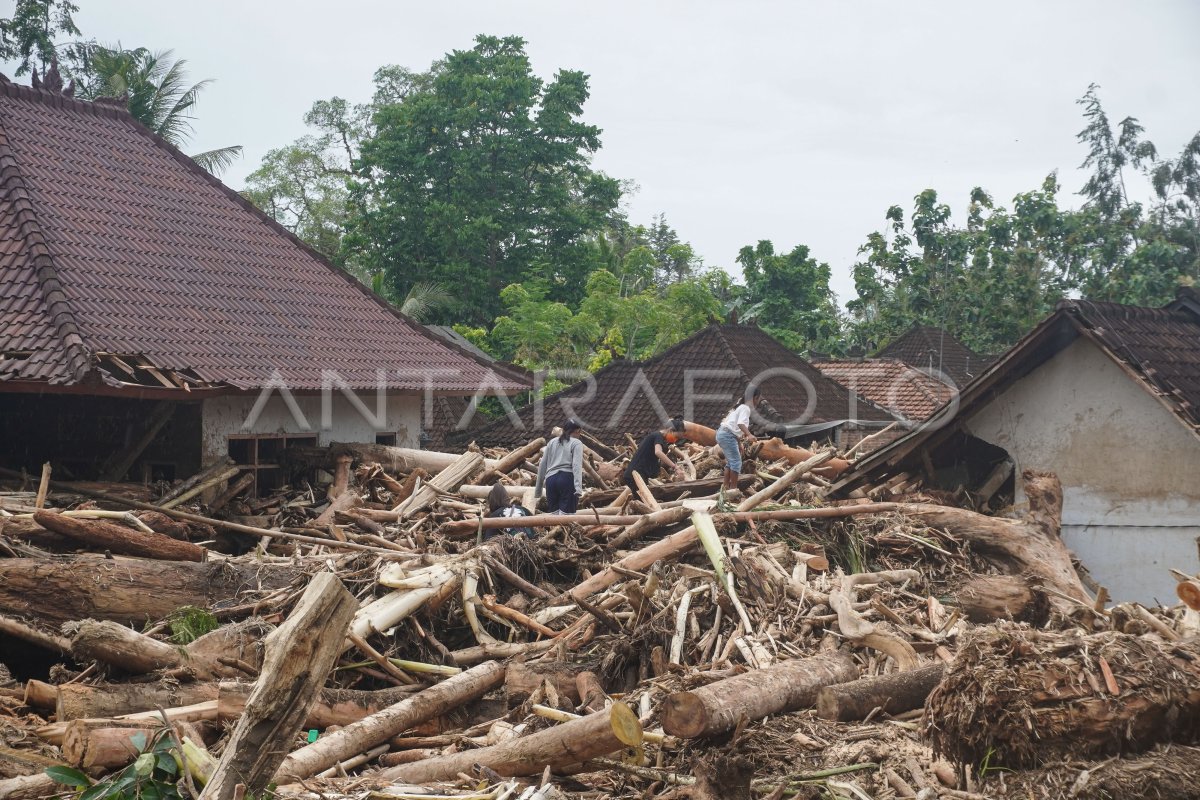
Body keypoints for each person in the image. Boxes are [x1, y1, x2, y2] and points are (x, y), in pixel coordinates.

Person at [624, 417, 688, 492]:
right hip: (635, 475)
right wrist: (675, 467)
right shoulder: (657, 436)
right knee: (645, 501)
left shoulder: (661, 439)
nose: (676, 440)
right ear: (670, 430)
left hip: (639, 475)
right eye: (676, 437)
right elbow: (658, 452)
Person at [534, 418, 584, 514]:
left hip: (551, 481)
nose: (579, 435)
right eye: (579, 432)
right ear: (577, 431)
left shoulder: (552, 442)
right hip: (567, 479)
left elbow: (542, 464)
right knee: (566, 519)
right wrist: (578, 488)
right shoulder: (576, 443)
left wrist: (538, 489)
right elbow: (576, 465)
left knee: (555, 517)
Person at [716, 387, 760, 491]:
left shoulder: (740, 407)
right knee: (736, 462)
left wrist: (739, 443)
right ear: (755, 398)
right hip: (727, 435)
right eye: (758, 399)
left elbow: (734, 427)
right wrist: (749, 435)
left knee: (731, 462)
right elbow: (740, 424)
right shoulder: (745, 408)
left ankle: (725, 487)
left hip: (723, 433)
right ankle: (733, 489)